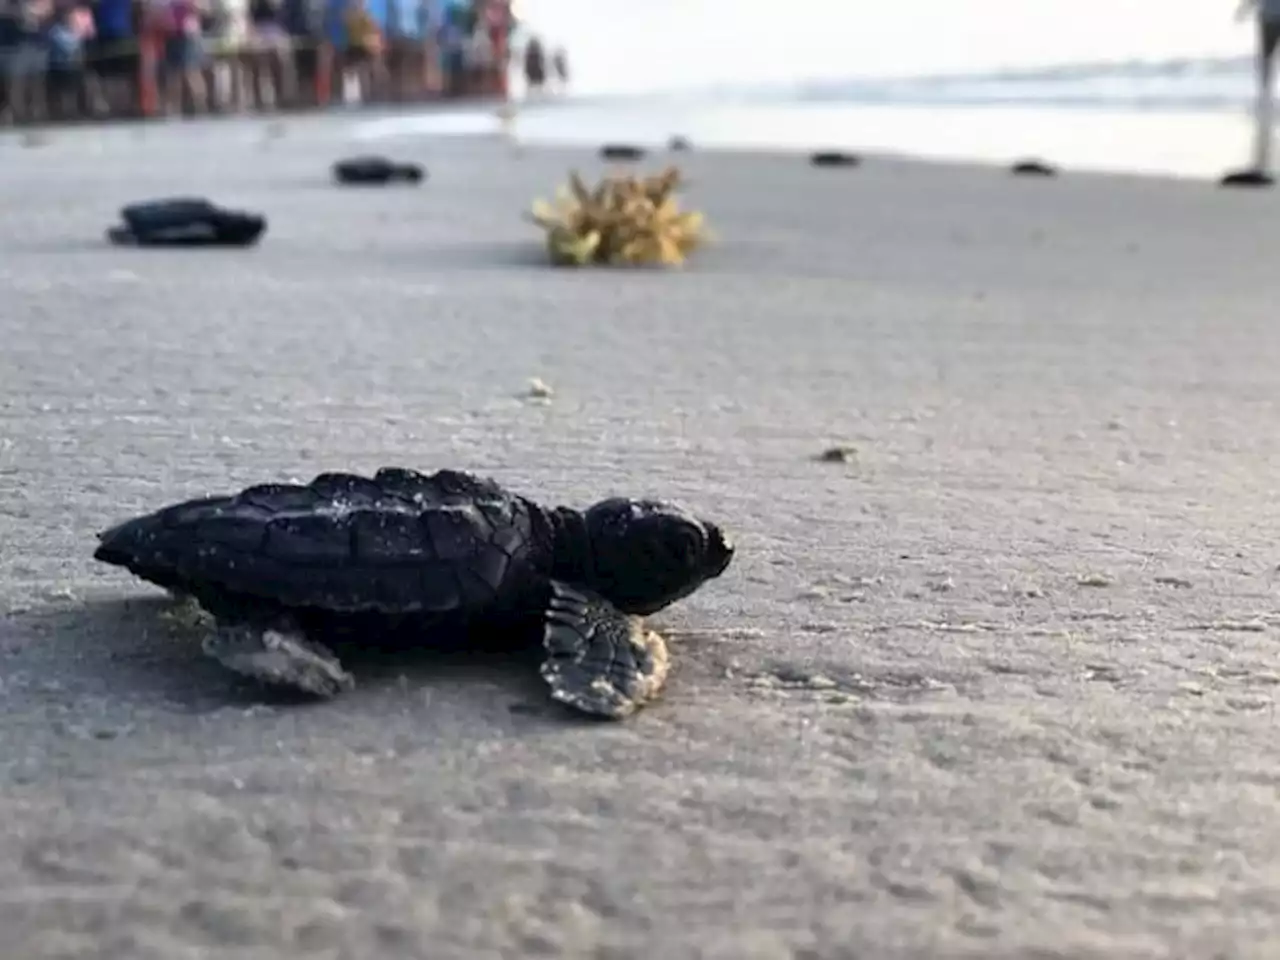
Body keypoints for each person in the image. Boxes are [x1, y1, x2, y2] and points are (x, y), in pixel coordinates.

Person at [1238, 0, 1280, 172]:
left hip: (1268, 17)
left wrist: (1244, 9)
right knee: (1266, 61)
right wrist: (1245, 8)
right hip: (1268, 18)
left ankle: (1265, 98)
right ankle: (1265, 99)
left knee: (1266, 61)